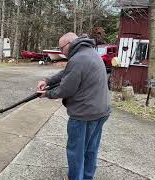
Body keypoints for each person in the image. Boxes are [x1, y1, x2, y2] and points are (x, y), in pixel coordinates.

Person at [36, 32, 111, 180]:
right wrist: (48, 81)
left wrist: (46, 94)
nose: (62, 52)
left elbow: (66, 89)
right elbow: (67, 72)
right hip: (101, 111)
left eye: (61, 48)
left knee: (76, 151)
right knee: (91, 149)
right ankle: (87, 177)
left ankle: (76, 177)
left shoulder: (78, 59)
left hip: (84, 114)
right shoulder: (89, 52)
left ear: (69, 45)